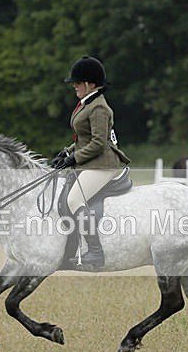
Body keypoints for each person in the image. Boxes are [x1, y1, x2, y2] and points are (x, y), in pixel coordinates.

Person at [52, 55, 131, 268]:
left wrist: (74, 158)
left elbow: (98, 143)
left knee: (74, 199)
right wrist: (66, 152)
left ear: (90, 84)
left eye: (78, 82)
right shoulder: (86, 104)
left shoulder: (99, 108)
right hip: (91, 161)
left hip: (104, 164)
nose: (75, 86)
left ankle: (95, 251)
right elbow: (83, 138)